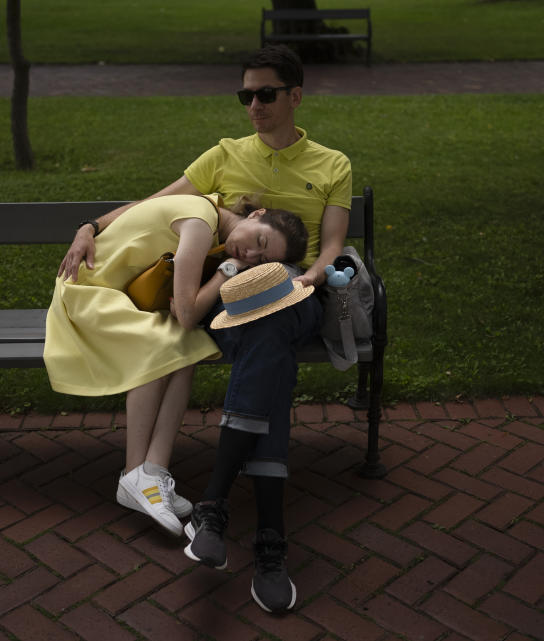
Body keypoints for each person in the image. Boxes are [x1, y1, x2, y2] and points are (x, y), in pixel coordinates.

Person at [57, 44, 351, 614]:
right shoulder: (224, 155)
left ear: (295, 95)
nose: (254, 106)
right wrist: (90, 225)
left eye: (266, 94)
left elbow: (333, 243)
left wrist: (311, 277)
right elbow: (160, 201)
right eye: (246, 95)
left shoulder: (332, 164)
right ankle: (268, 540)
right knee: (270, 348)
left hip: (298, 292)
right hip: (228, 297)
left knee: (272, 322)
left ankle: (217, 506)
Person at [44, 193, 308, 537]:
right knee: (166, 341)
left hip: (119, 295)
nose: (251, 256)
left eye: (261, 258)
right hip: (90, 292)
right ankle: (133, 472)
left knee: (190, 348)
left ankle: (151, 471)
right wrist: (226, 274)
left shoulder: (209, 217)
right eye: (259, 241)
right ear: (256, 214)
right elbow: (186, 315)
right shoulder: (200, 224)